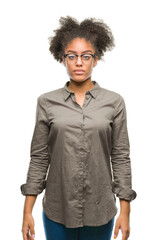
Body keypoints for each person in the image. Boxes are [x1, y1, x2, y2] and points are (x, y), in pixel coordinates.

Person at [20, 16, 137, 240]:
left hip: (100, 210)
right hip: (57, 209)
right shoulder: (46, 102)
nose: (79, 63)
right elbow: (39, 158)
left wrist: (125, 211)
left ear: (96, 58)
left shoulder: (114, 102)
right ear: (62, 59)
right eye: (72, 56)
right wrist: (27, 211)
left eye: (86, 56)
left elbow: (120, 156)